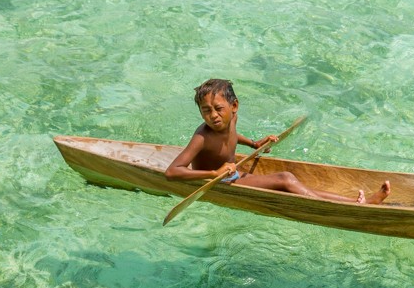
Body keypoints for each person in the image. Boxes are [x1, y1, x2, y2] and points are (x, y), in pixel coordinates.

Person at [164, 79, 390, 204]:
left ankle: (353, 202)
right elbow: (173, 172)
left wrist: (253, 144)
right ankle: (346, 207)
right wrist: (213, 174)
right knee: (285, 179)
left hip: (233, 175)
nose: (213, 115)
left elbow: (231, 138)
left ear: (234, 107)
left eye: (218, 108)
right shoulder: (202, 136)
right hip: (219, 182)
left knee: (298, 186)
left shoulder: (231, 120)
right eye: (206, 111)